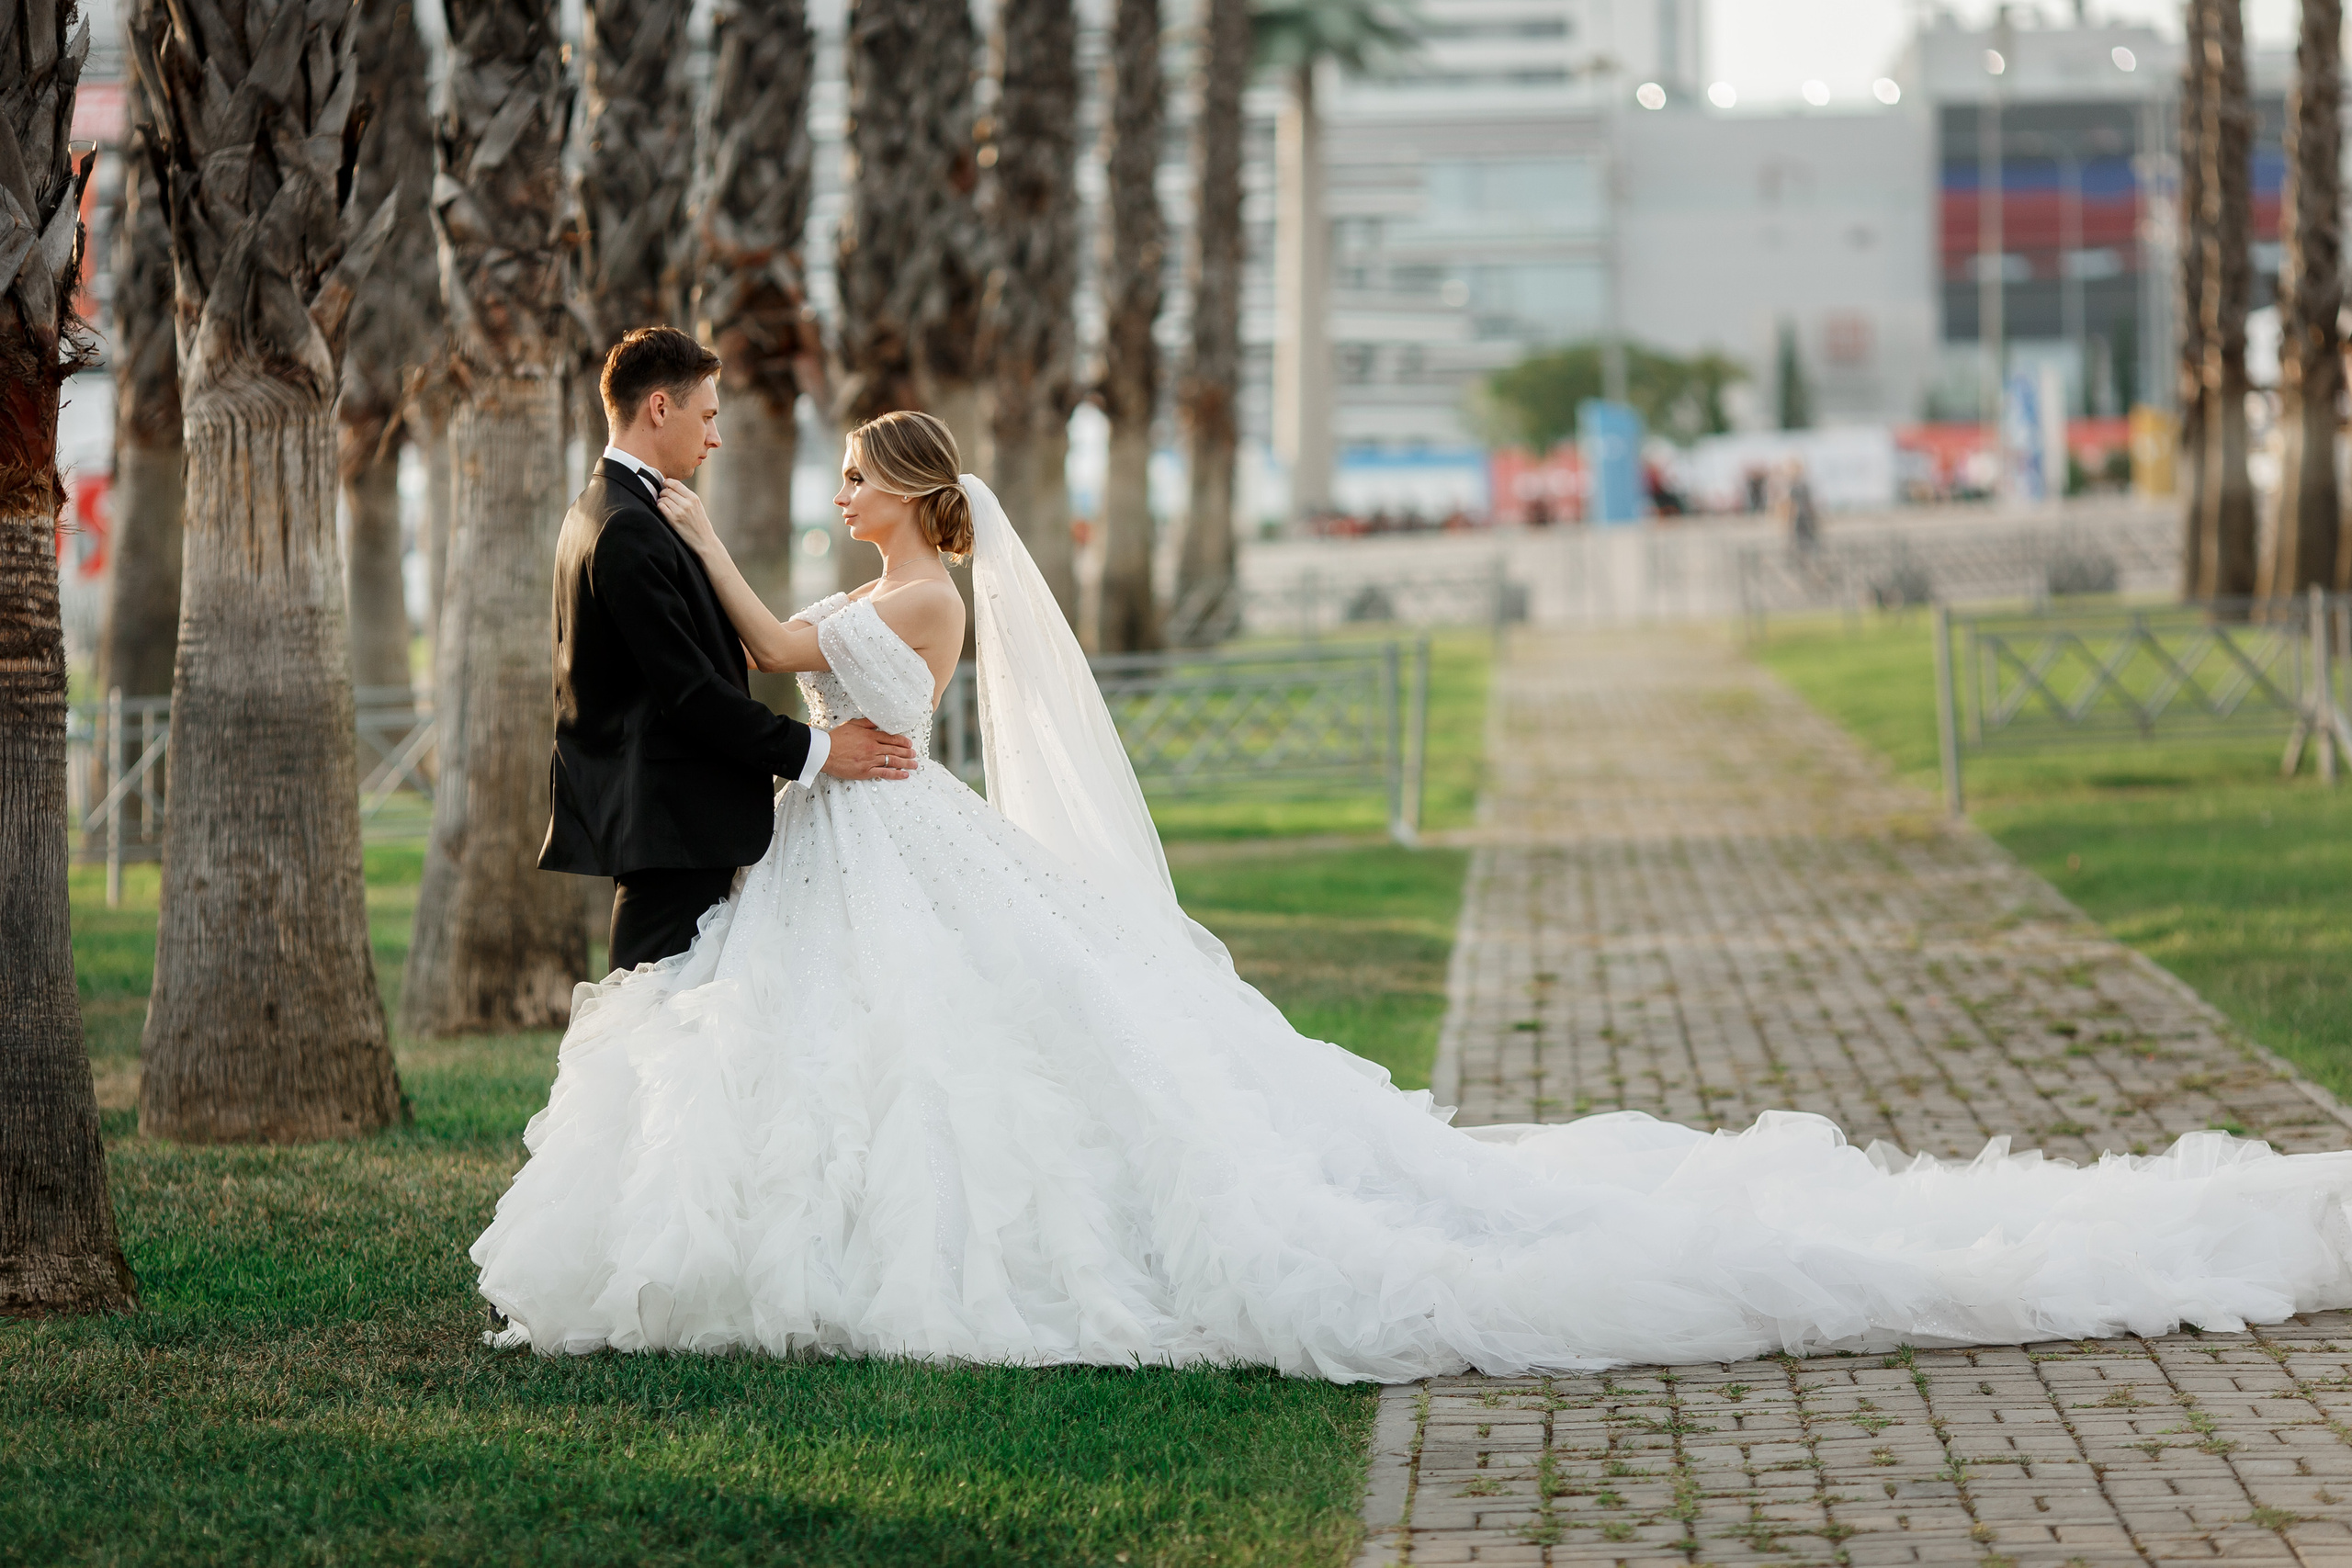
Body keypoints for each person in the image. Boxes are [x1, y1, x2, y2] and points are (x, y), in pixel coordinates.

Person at [474, 408, 2352, 1381]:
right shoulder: (884, 587)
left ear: (906, 498)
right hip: (862, 837)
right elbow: (792, 642)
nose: (850, 489)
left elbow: (797, 641)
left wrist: (713, 550)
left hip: (889, 830)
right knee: (906, 1057)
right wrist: (722, 559)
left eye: (866, 477)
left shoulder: (918, 597)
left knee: (1009, 1064)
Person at [538, 328, 919, 973]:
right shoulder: (627, 525)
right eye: (708, 416)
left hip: (671, 818)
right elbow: (689, 695)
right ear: (661, 407)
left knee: (670, 1025)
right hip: (668, 822)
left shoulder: (612, 507)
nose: (715, 437)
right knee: (650, 1025)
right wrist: (821, 750)